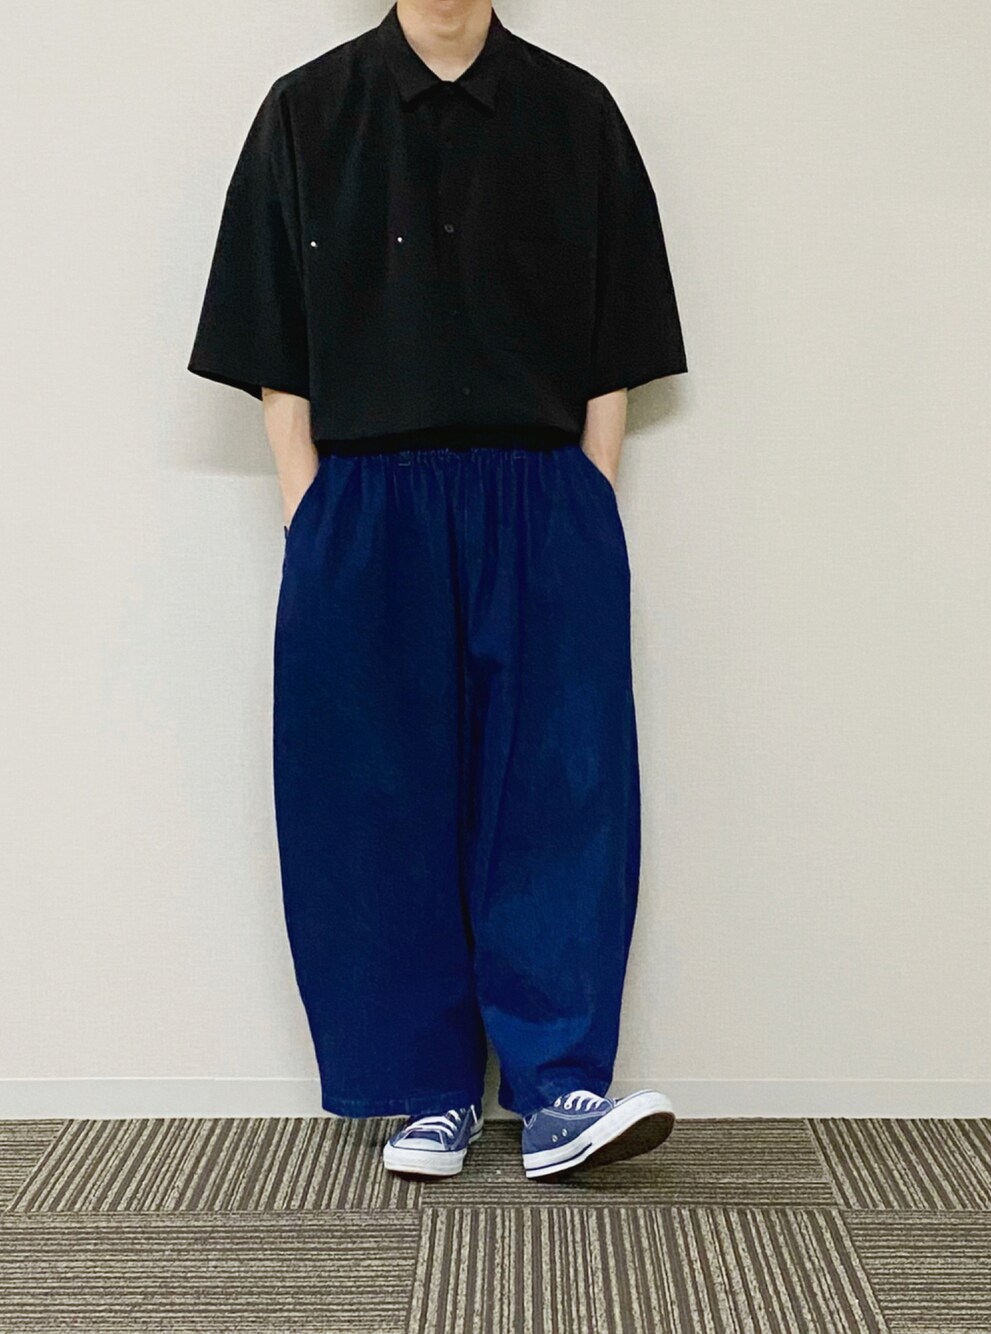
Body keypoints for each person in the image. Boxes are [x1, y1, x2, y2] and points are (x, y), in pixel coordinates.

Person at [187, 0, 687, 1182]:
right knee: (372, 792)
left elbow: (618, 337)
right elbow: (271, 340)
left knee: (561, 783)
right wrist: (311, 503)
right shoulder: (307, 113)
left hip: (539, 491)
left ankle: (558, 1088)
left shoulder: (576, 113)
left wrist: (584, 493)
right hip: (366, 496)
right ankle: (425, 1091)